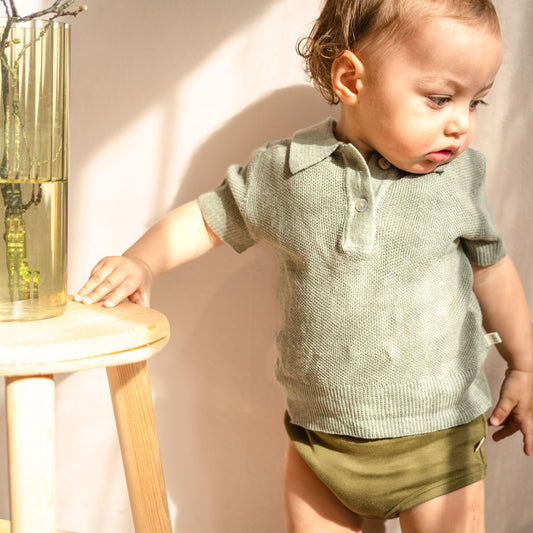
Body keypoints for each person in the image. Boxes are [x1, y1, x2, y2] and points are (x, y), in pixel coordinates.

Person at [75, 1, 533, 531]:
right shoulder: (288, 172)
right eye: (439, 99)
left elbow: (492, 271)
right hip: (320, 443)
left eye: (476, 102)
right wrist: (142, 261)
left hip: (440, 441)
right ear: (351, 80)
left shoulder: (459, 180)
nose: (461, 124)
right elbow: (207, 219)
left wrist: (523, 365)